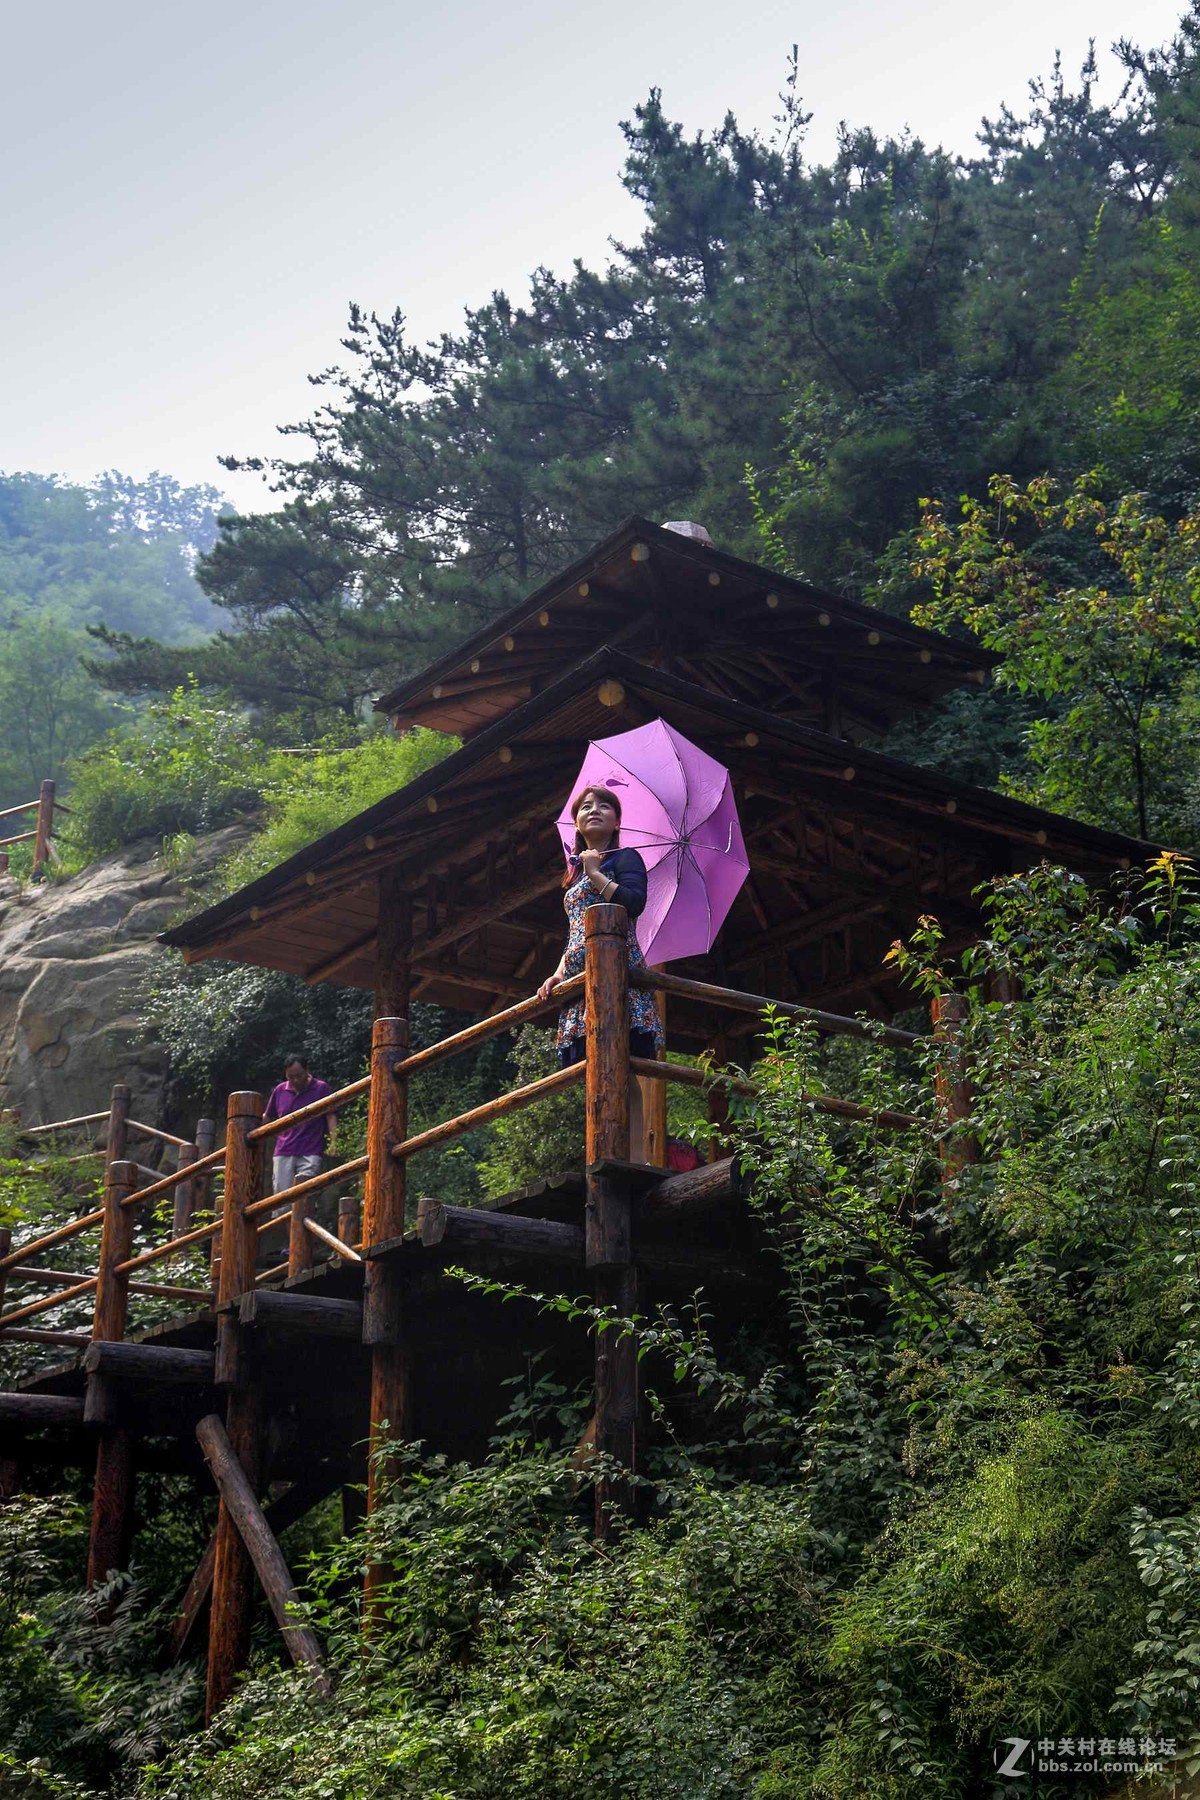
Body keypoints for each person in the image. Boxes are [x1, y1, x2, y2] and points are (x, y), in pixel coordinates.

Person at [537, 785, 664, 1152]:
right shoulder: (574, 872)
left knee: (623, 1067)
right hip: (580, 980)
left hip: (617, 971)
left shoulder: (625, 858)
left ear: (617, 820)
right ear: (576, 822)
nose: (594, 810)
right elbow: (575, 928)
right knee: (594, 1069)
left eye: (604, 805)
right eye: (586, 806)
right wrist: (559, 973)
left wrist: (596, 873)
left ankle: (634, 1157)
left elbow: (633, 903)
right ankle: (601, 1149)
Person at [262, 1054, 338, 1194]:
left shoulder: (321, 1088)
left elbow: (330, 1116)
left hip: (311, 1151)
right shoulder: (280, 1090)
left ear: (307, 1070)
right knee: (281, 1196)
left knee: (305, 1196)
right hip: (283, 1151)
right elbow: (267, 1117)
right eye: (291, 1076)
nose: (295, 1080)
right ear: (285, 1074)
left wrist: (333, 1142)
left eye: (299, 1075)